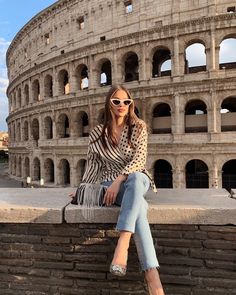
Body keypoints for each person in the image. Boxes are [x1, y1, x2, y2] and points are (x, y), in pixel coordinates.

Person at [69, 85, 165, 295]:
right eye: (116, 101)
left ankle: (123, 241)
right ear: (109, 103)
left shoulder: (139, 127)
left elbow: (140, 160)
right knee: (138, 207)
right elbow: (93, 165)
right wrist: (82, 190)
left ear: (130, 105)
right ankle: (153, 279)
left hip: (135, 180)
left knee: (137, 179)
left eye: (126, 102)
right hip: (108, 183)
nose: (122, 105)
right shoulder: (97, 133)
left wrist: (120, 179)